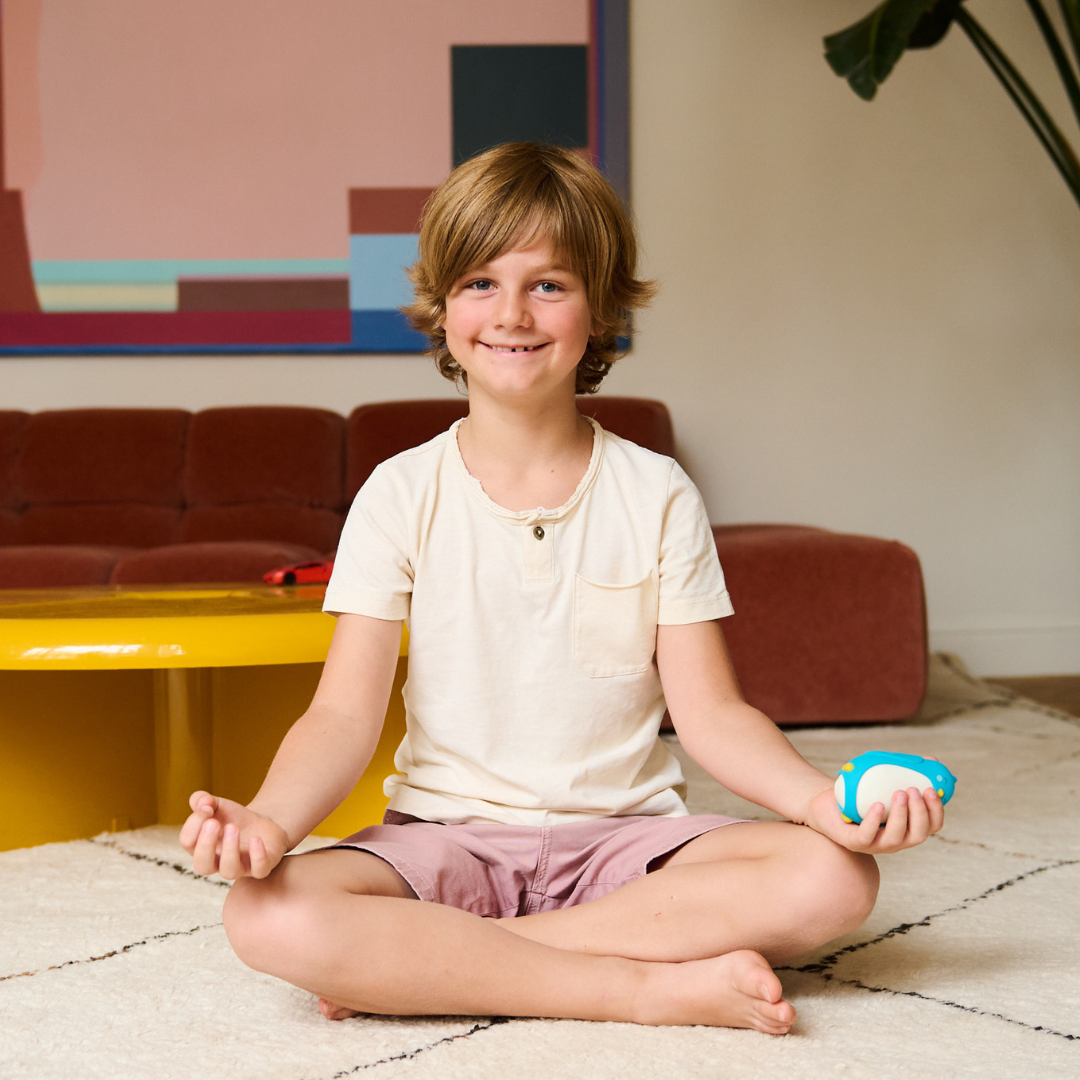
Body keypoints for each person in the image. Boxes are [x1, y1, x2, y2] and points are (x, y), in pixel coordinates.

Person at [180, 142, 944, 1034]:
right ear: (442, 307)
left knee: (835, 876)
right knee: (264, 909)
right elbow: (342, 718)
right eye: (478, 283)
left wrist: (823, 804)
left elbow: (712, 717)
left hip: (628, 844)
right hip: (443, 840)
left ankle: (442, 964)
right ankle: (641, 987)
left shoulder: (656, 491)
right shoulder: (397, 491)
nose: (511, 313)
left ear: (601, 311)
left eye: (549, 284)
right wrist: (269, 823)